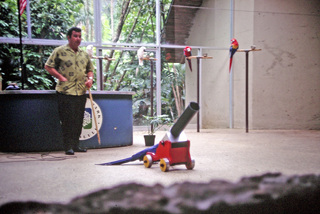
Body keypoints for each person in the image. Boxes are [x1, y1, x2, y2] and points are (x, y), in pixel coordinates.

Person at [45, 27, 94, 155]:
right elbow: (48, 66)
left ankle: (76, 145)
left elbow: (90, 69)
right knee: (67, 120)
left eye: (79, 36)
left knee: (78, 120)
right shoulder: (59, 51)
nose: (78, 39)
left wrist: (90, 79)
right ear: (69, 37)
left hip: (80, 92)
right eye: (75, 36)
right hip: (65, 92)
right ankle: (68, 147)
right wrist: (60, 77)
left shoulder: (84, 54)